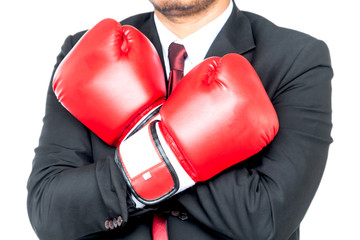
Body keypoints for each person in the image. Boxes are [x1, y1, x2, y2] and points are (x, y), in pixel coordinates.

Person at [27, 0, 333, 239]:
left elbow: (265, 219)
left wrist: (141, 128)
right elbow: (49, 212)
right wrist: (172, 147)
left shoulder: (297, 59)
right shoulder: (85, 51)